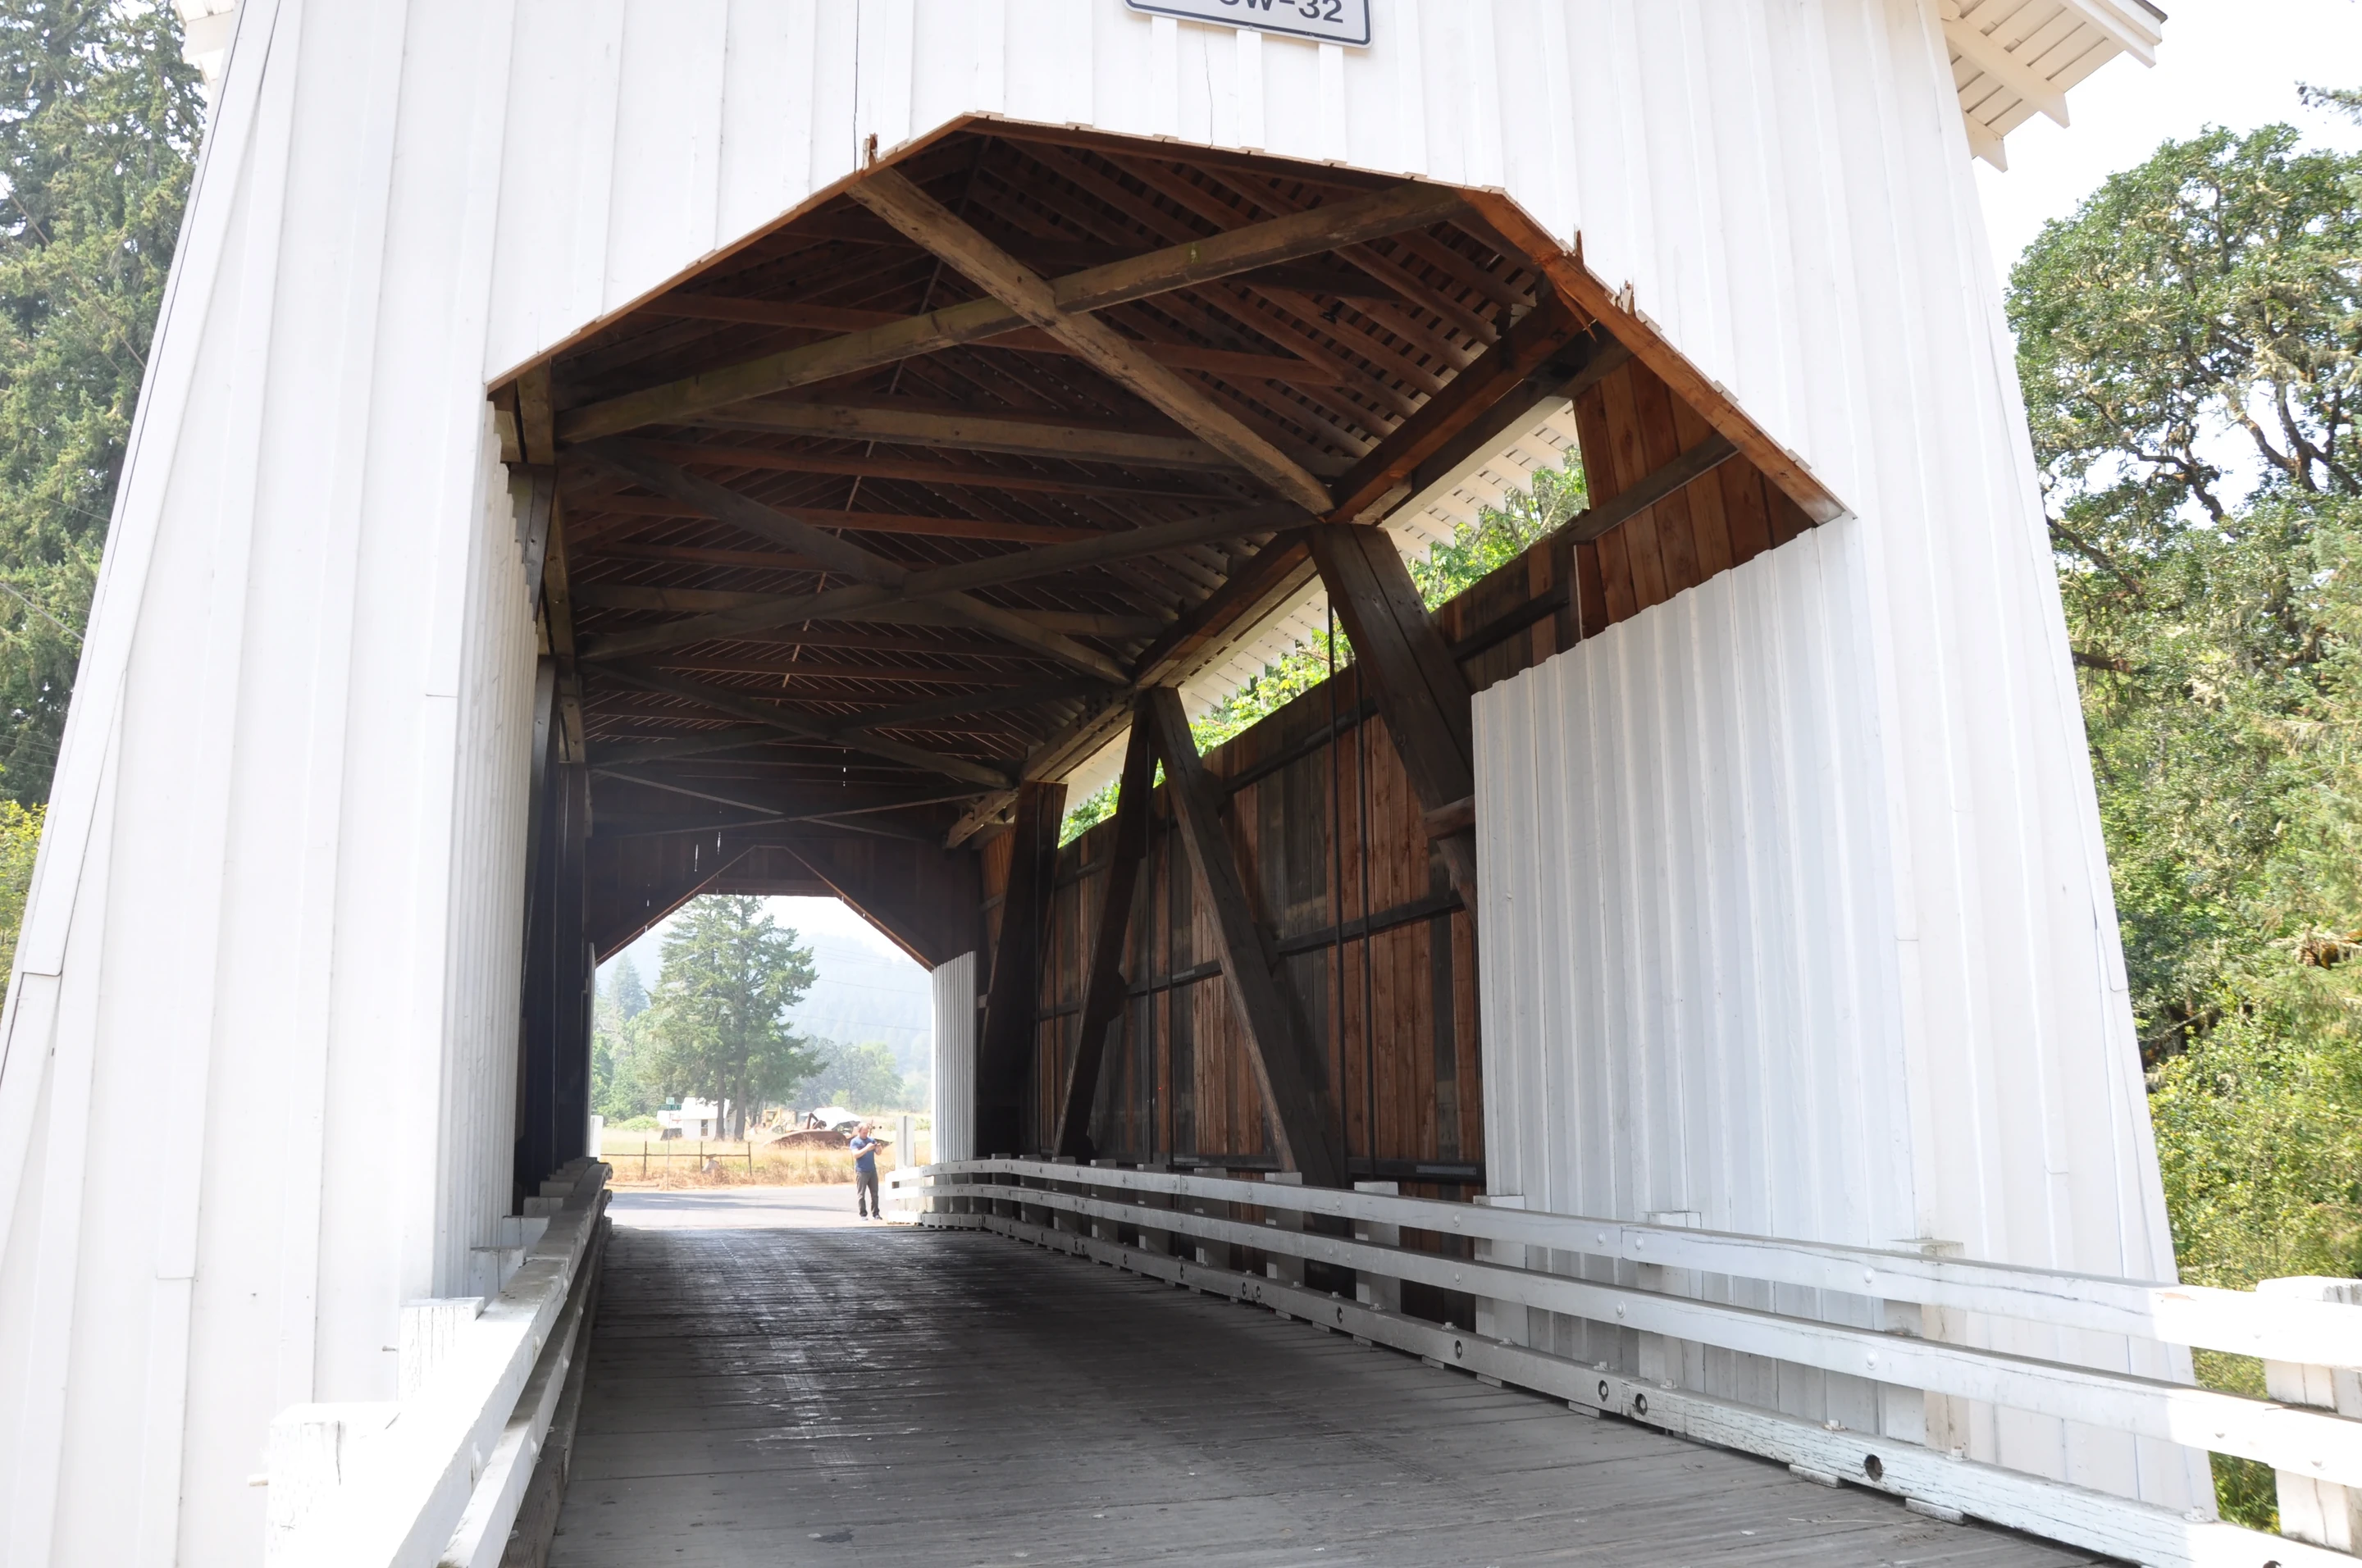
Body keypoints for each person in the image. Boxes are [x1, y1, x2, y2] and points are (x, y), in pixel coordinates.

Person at [848, 1122, 882, 1219]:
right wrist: (866, 1149)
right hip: (861, 1171)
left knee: (875, 1193)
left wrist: (878, 1148)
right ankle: (863, 1214)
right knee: (861, 1194)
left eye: (867, 1132)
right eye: (864, 1132)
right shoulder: (855, 1142)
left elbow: (878, 1153)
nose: (865, 1134)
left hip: (872, 1170)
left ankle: (876, 1213)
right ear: (859, 1132)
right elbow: (855, 1155)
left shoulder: (871, 1140)